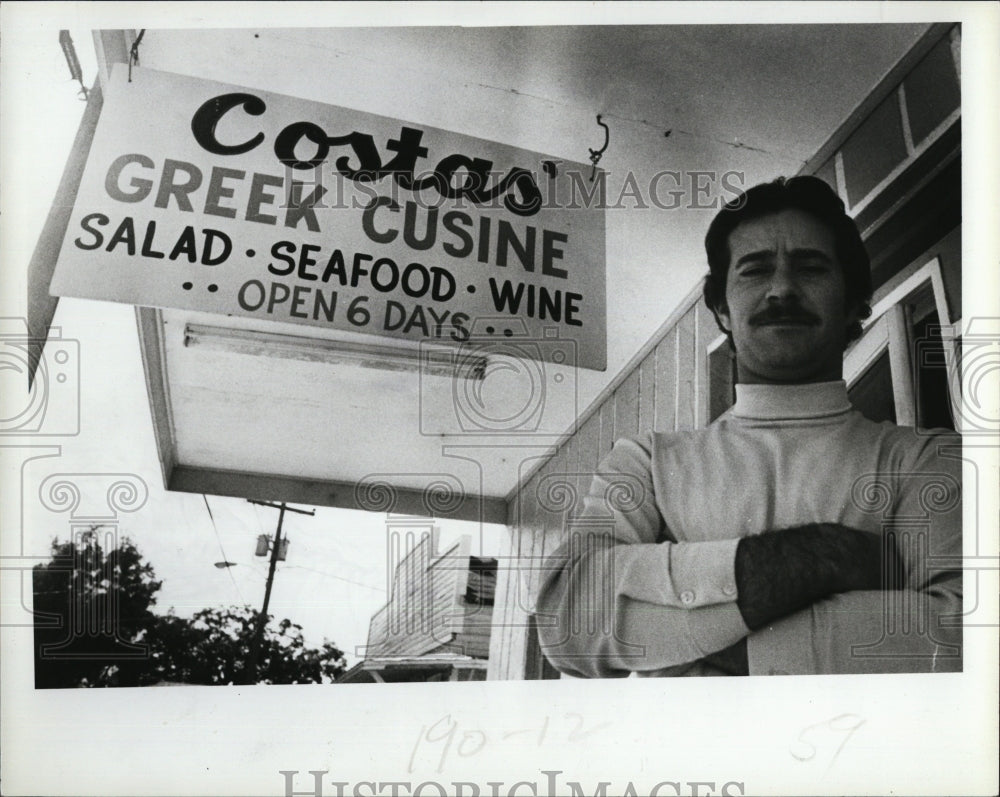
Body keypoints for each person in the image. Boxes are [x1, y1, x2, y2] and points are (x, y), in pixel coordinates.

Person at [534, 176, 962, 677]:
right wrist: (826, 556)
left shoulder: (929, 460)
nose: (782, 289)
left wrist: (700, 638)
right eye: (755, 270)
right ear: (721, 309)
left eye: (811, 267)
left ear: (852, 303)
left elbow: (965, 638)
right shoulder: (648, 463)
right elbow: (569, 622)